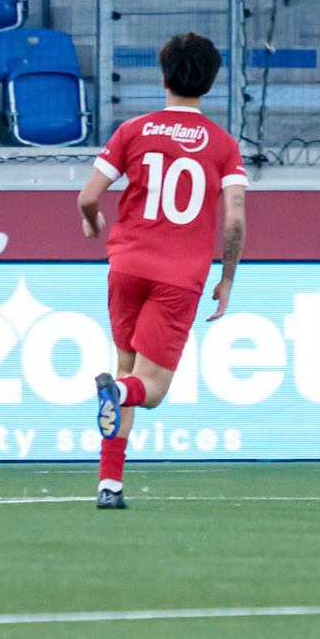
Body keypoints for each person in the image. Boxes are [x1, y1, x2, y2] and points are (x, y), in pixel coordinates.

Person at [76, 33, 248, 510]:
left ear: (163, 75)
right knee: (148, 391)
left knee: (126, 367)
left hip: (127, 265)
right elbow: (234, 218)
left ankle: (109, 485)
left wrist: (93, 224)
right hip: (179, 276)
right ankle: (118, 394)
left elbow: (88, 197)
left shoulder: (133, 130)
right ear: (211, 84)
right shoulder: (224, 146)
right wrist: (227, 277)